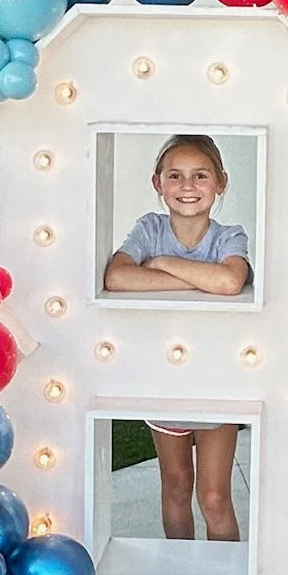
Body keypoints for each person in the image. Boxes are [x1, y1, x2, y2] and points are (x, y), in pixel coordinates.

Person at [103, 135, 250, 543]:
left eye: (200, 175)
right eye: (176, 175)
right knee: (176, 486)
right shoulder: (149, 228)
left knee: (215, 496)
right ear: (158, 183)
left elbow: (228, 281)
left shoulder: (228, 237)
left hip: (217, 382)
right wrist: (193, 276)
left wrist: (165, 263)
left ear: (221, 182)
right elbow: (117, 276)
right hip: (164, 378)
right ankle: (183, 574)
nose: (188, 186)